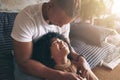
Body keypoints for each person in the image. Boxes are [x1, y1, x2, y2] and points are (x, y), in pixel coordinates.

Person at [11, 0, 94, 80]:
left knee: (85, 69)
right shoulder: (27, 18)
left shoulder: (63, 18)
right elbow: (24, 62)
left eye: (65, 23)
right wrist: (60, 75)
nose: (61, 26)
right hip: (30, 59)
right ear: (49, 6)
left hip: (54, 59)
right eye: (59, 21)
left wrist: (80, 58)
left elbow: (67, 45)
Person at [32, 32, 99, 80]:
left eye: (61, 40)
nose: (61, 42)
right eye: (55, 43)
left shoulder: (80, 65)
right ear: (50, 55)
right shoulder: (53, 76)